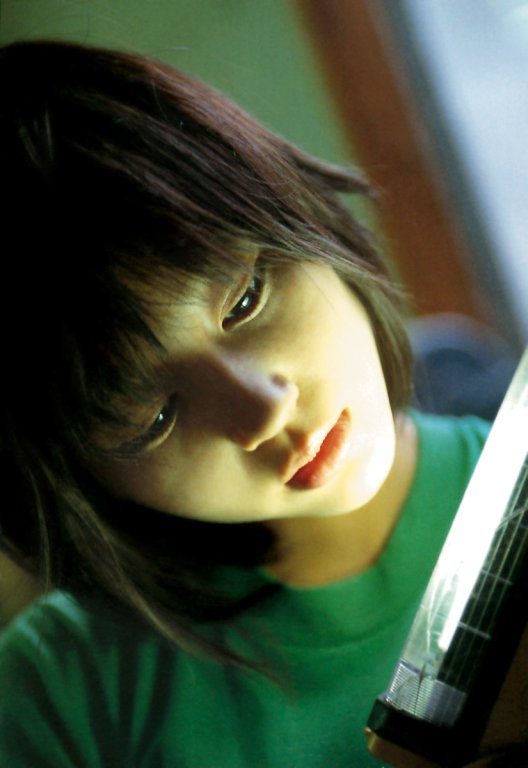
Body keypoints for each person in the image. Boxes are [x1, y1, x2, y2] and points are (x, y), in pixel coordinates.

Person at [0, 39, 491, 767]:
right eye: (154, 420)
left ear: (301, 214)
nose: (262, 410)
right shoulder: (61, 698)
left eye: (246, 300)